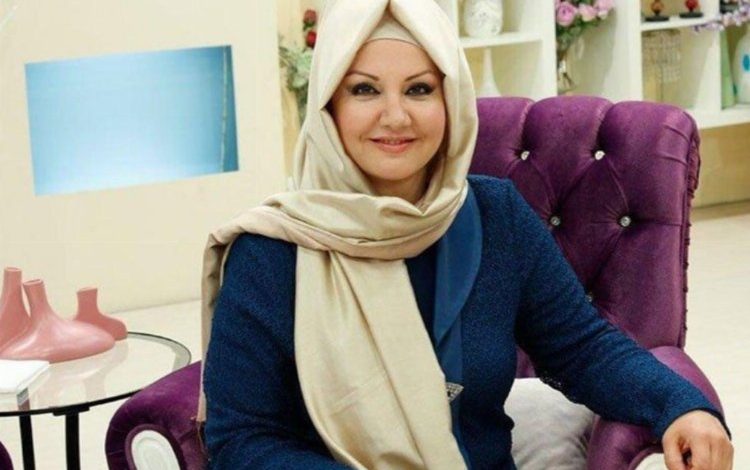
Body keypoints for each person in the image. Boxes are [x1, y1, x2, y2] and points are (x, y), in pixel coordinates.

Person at [200, 0, 733, 468]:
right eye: (364, 89)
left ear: (451, 101)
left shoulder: (495, 216)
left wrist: (680, 405)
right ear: (328, 107)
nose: (395, 116)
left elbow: (583, 349)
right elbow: (243, 439)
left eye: (419, 89)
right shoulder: (271, 251)